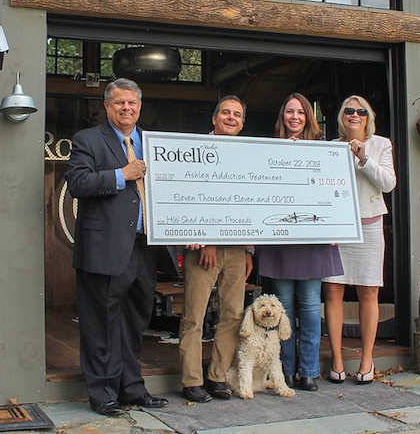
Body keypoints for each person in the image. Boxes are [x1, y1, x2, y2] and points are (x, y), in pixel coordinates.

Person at [65, 77, 169, 417]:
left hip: (143, 247)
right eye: (120, 102)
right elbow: (78, 183)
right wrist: (122, 174)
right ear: (108, 106)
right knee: (101, 324)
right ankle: (103, 394)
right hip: (104, 246)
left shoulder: (153, 142)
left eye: (133, 103)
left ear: (140, 106)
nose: (127, 108)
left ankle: (132, 389)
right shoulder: (88, 140)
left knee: (135, 322)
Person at [257, 93, 343, 391]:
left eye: (300, 113)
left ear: (309, 117)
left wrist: (337, 226)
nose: (295, 117)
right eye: (289, 112)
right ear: (282, 117)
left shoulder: (325, 150)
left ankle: (308, 370)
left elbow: (336, 189)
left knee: (308, 308)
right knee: (284, 311)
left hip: (313, 240)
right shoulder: (267, 150)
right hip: (281, 241)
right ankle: (287, 371)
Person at [179, 96, 254, 403]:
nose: (231, 118)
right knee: (194, 316)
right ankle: (191, 380)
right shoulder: (196, 150)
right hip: (203, 249)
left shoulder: (249, 154)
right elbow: (192, 193)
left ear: (242, 122)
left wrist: (249, 249)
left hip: (237, 249)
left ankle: (217, 377)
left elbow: (252, 199)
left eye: (237, 114)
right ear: (214, 118)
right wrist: (208, 238)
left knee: (233, 315)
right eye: (226, 112)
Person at [323, 95, 396, 384]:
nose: (355, 115)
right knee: (333, 291)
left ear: (369, 117)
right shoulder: (330, 148)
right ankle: (337, 358)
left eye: (361, 111)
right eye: (349, 110)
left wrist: (363, 158)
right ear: (342, 116)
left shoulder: (381, 144)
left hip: (369, 226)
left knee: (369, 291)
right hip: (338, 228)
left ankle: (367, 359)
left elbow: (389, 183)